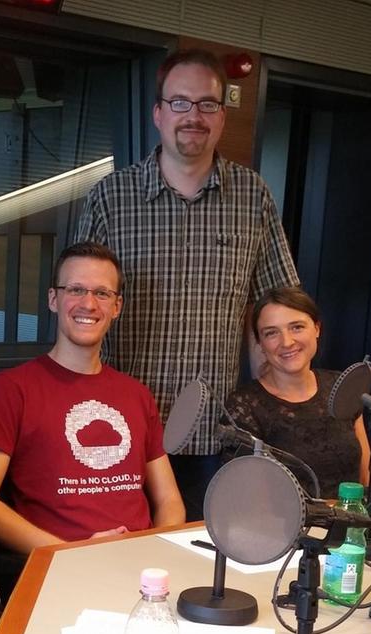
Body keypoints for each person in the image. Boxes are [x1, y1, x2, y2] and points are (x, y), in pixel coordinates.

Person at [74, 48, 300, 520]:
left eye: (207, 104)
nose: (193, 116)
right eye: (180, 102)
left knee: (201, 554)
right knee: (117, 552)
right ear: (158, 113)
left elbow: (276, 310)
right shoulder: (111, 197)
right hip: (119, 432)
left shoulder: (252, 196)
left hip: (215, 435)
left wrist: (279, 407)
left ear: (222, 115)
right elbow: (79, 311)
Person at [0, 243, 185, 565]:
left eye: (102, 293)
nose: (88, 304)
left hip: (142, 569)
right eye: (76, 289)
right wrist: (70, 555)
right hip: (59, 567)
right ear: (53, 299)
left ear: (117, 306)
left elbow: (169, 500)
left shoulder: (137, 394)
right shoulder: (12, 388)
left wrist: (155, 554)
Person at [224, 287, 371, 498]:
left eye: (297, 327)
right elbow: (247, 497)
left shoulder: (340, 384)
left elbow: (364, 478)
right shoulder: (243, 406)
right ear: (260, 343)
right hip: (284, 520)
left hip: (351, 516)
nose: (287, 342)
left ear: (317, 328)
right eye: (271, 333)